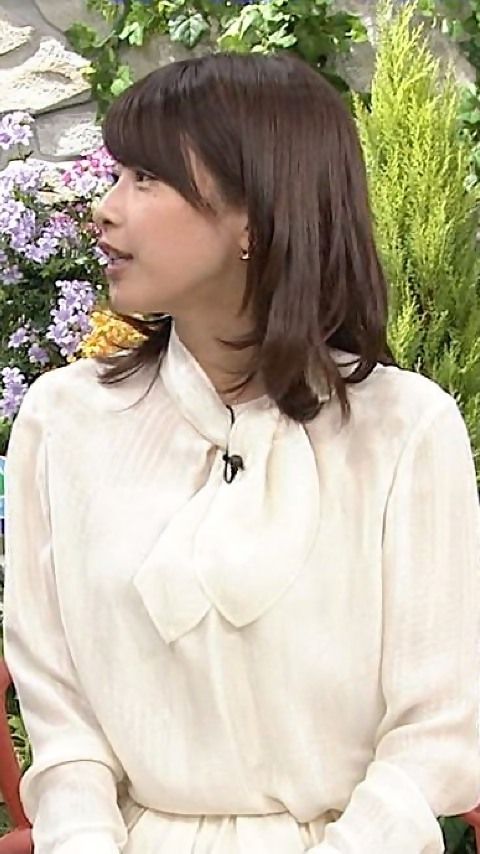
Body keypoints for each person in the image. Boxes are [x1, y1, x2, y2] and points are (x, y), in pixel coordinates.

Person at [3, 51, 480, 854]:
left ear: (255, 214)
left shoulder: (404, 430)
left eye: (145, 179)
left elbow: (438, 730)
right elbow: (61, 716)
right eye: (114, 175)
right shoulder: (63, 421)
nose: (105, 210)